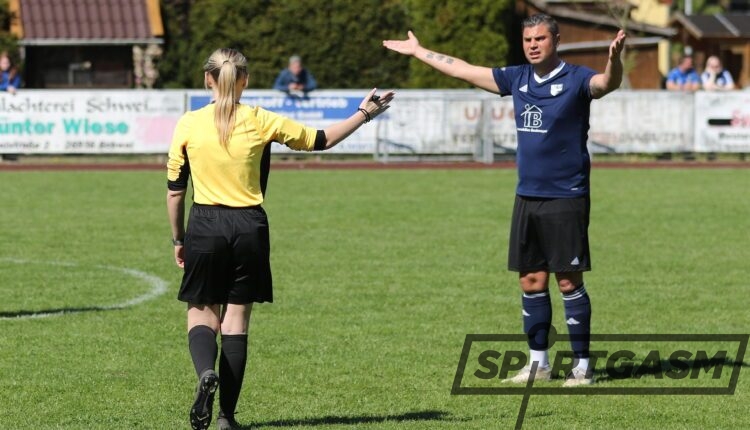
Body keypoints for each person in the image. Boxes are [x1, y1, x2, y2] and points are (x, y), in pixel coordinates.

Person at [384, 14, 625, 387]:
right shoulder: (517, 78)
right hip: (526, 195)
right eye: (528, 39)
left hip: (566, 197)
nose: (532, 45)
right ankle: (538, 364)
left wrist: (614, 60)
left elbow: (607, 83)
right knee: (531, 280)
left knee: (567, 281)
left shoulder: (576, 78)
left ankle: (582, 367)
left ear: (556, 40)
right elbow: (464, 70)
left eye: (540, 38)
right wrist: (419, 52)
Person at [167, 48, 393, 430]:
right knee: (236, 323)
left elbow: (175, 191)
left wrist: (178, 239)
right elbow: (321, 140)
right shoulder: (260, 119)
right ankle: (226, 417)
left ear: (207, 79)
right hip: (249, 227)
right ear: (245, 81)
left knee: (201, 314)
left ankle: (206, 372)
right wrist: (364, 113)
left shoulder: (189, 123)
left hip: (204, 224)